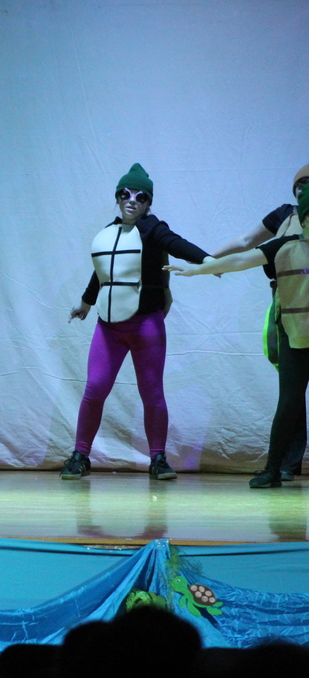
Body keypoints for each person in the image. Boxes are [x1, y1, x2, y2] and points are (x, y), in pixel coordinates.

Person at [63, 164, 211, 480]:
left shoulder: (153, 230)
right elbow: (103, 271)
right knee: (95, 387)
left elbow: (176, 243)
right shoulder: (109, 233)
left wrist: (208, 261)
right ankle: (80, 454)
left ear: (148, 203)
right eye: (125, 194)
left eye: (141, 197)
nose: (132, 201)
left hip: (147, 325)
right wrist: (86, 302)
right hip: (110, 326)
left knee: (152, 392)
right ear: (117, 198)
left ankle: (158, 458)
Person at [165, 186, 309, 488]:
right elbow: (241, 260)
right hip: (295, 335)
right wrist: (197, 270)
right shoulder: (285, 246)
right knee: (289, 402)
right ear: (304, 219)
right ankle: (273, 469)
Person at [206, 164, 309, 481]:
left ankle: (285, 464)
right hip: (288, 309)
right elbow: (246, 241)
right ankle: (284, 464)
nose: (304, 188)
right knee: (291, 391)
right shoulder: (283, 216)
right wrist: (212, 259)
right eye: (300, 183)